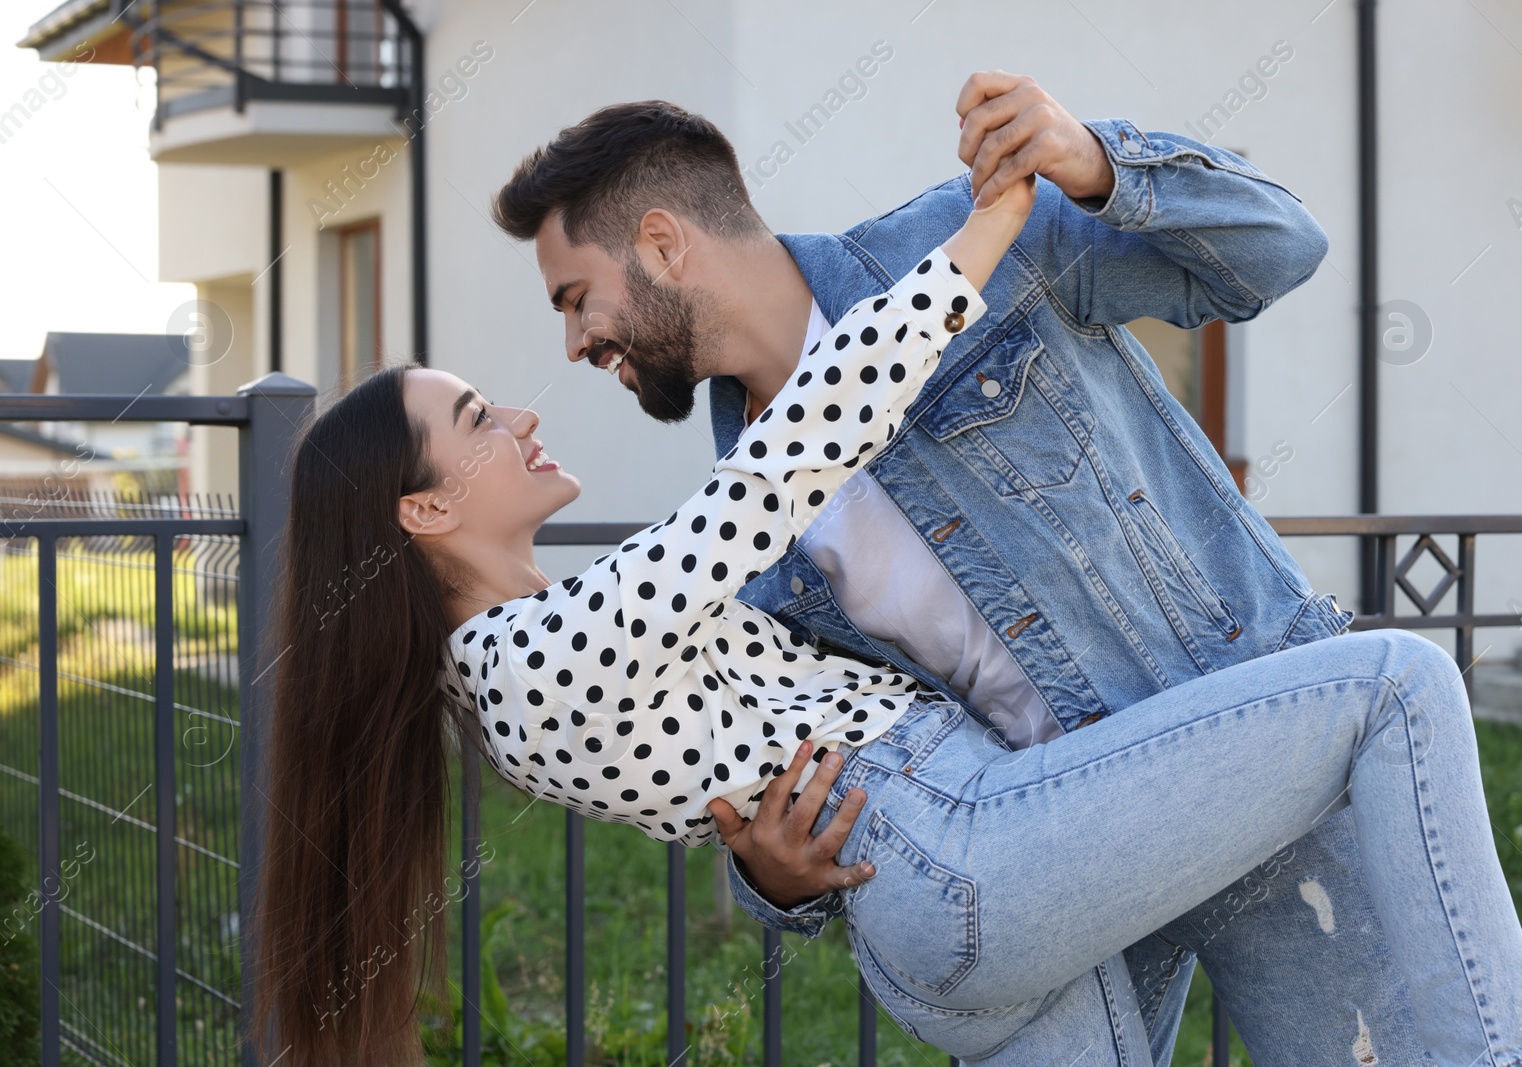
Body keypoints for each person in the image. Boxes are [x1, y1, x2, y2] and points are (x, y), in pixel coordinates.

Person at [247, 171, 1522, 1067]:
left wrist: (764, 875)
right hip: (960, 851)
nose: (522, 414)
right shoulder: (532, 658)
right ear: (421, 513)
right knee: (1394, 679)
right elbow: (795, 452)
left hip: (957, 860)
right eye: (477, 419)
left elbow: (747, 745)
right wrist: (990, 225)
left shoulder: (544, 644)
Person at [491, 77, 1459, 1063]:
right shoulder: (746, 531)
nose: (575, 343)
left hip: (1245, 738)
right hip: (1049, 850)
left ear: (661, 244)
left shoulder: (976, 239)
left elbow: (1279, 250)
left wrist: (1098, 163)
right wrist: (772, 880)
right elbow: (824, 735)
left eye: (577, 299)